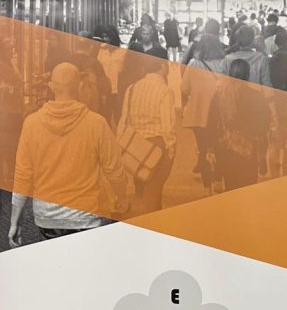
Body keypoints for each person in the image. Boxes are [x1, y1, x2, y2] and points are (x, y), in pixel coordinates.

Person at [8, 63, 126, 247]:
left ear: (51, 86)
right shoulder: (97, 124)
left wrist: (15, 221)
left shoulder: (32, 124)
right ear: (79, 86)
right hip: (86, 216)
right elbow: (115, 171)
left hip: (47, 218)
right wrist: (122, 200)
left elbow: (23, 175)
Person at [117, 59, 175, 213]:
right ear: (161, 65)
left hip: (135, 146)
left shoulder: (132, 88)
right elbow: (168, 127)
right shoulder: (165, 91)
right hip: (156, 146)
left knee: (144, 188)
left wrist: (120, 142)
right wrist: (171, 150)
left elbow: (124, 118)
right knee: (154, 191)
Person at [207, 60, 268, 191]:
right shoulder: (256, 95)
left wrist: (211, 148)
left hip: (225, 148)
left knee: (230, 185)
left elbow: (211, 122)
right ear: (248, 75)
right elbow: (263, 124)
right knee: (248, 187)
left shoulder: (219, 95)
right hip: (248, 149)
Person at [181, 23, 226, 192]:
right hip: (219, 115)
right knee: (219, 147)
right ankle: (219, 179)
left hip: (198, 115)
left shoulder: (194, 64)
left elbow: (184, 89)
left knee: (203, 149)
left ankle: (207, 186)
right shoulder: (224, 63)